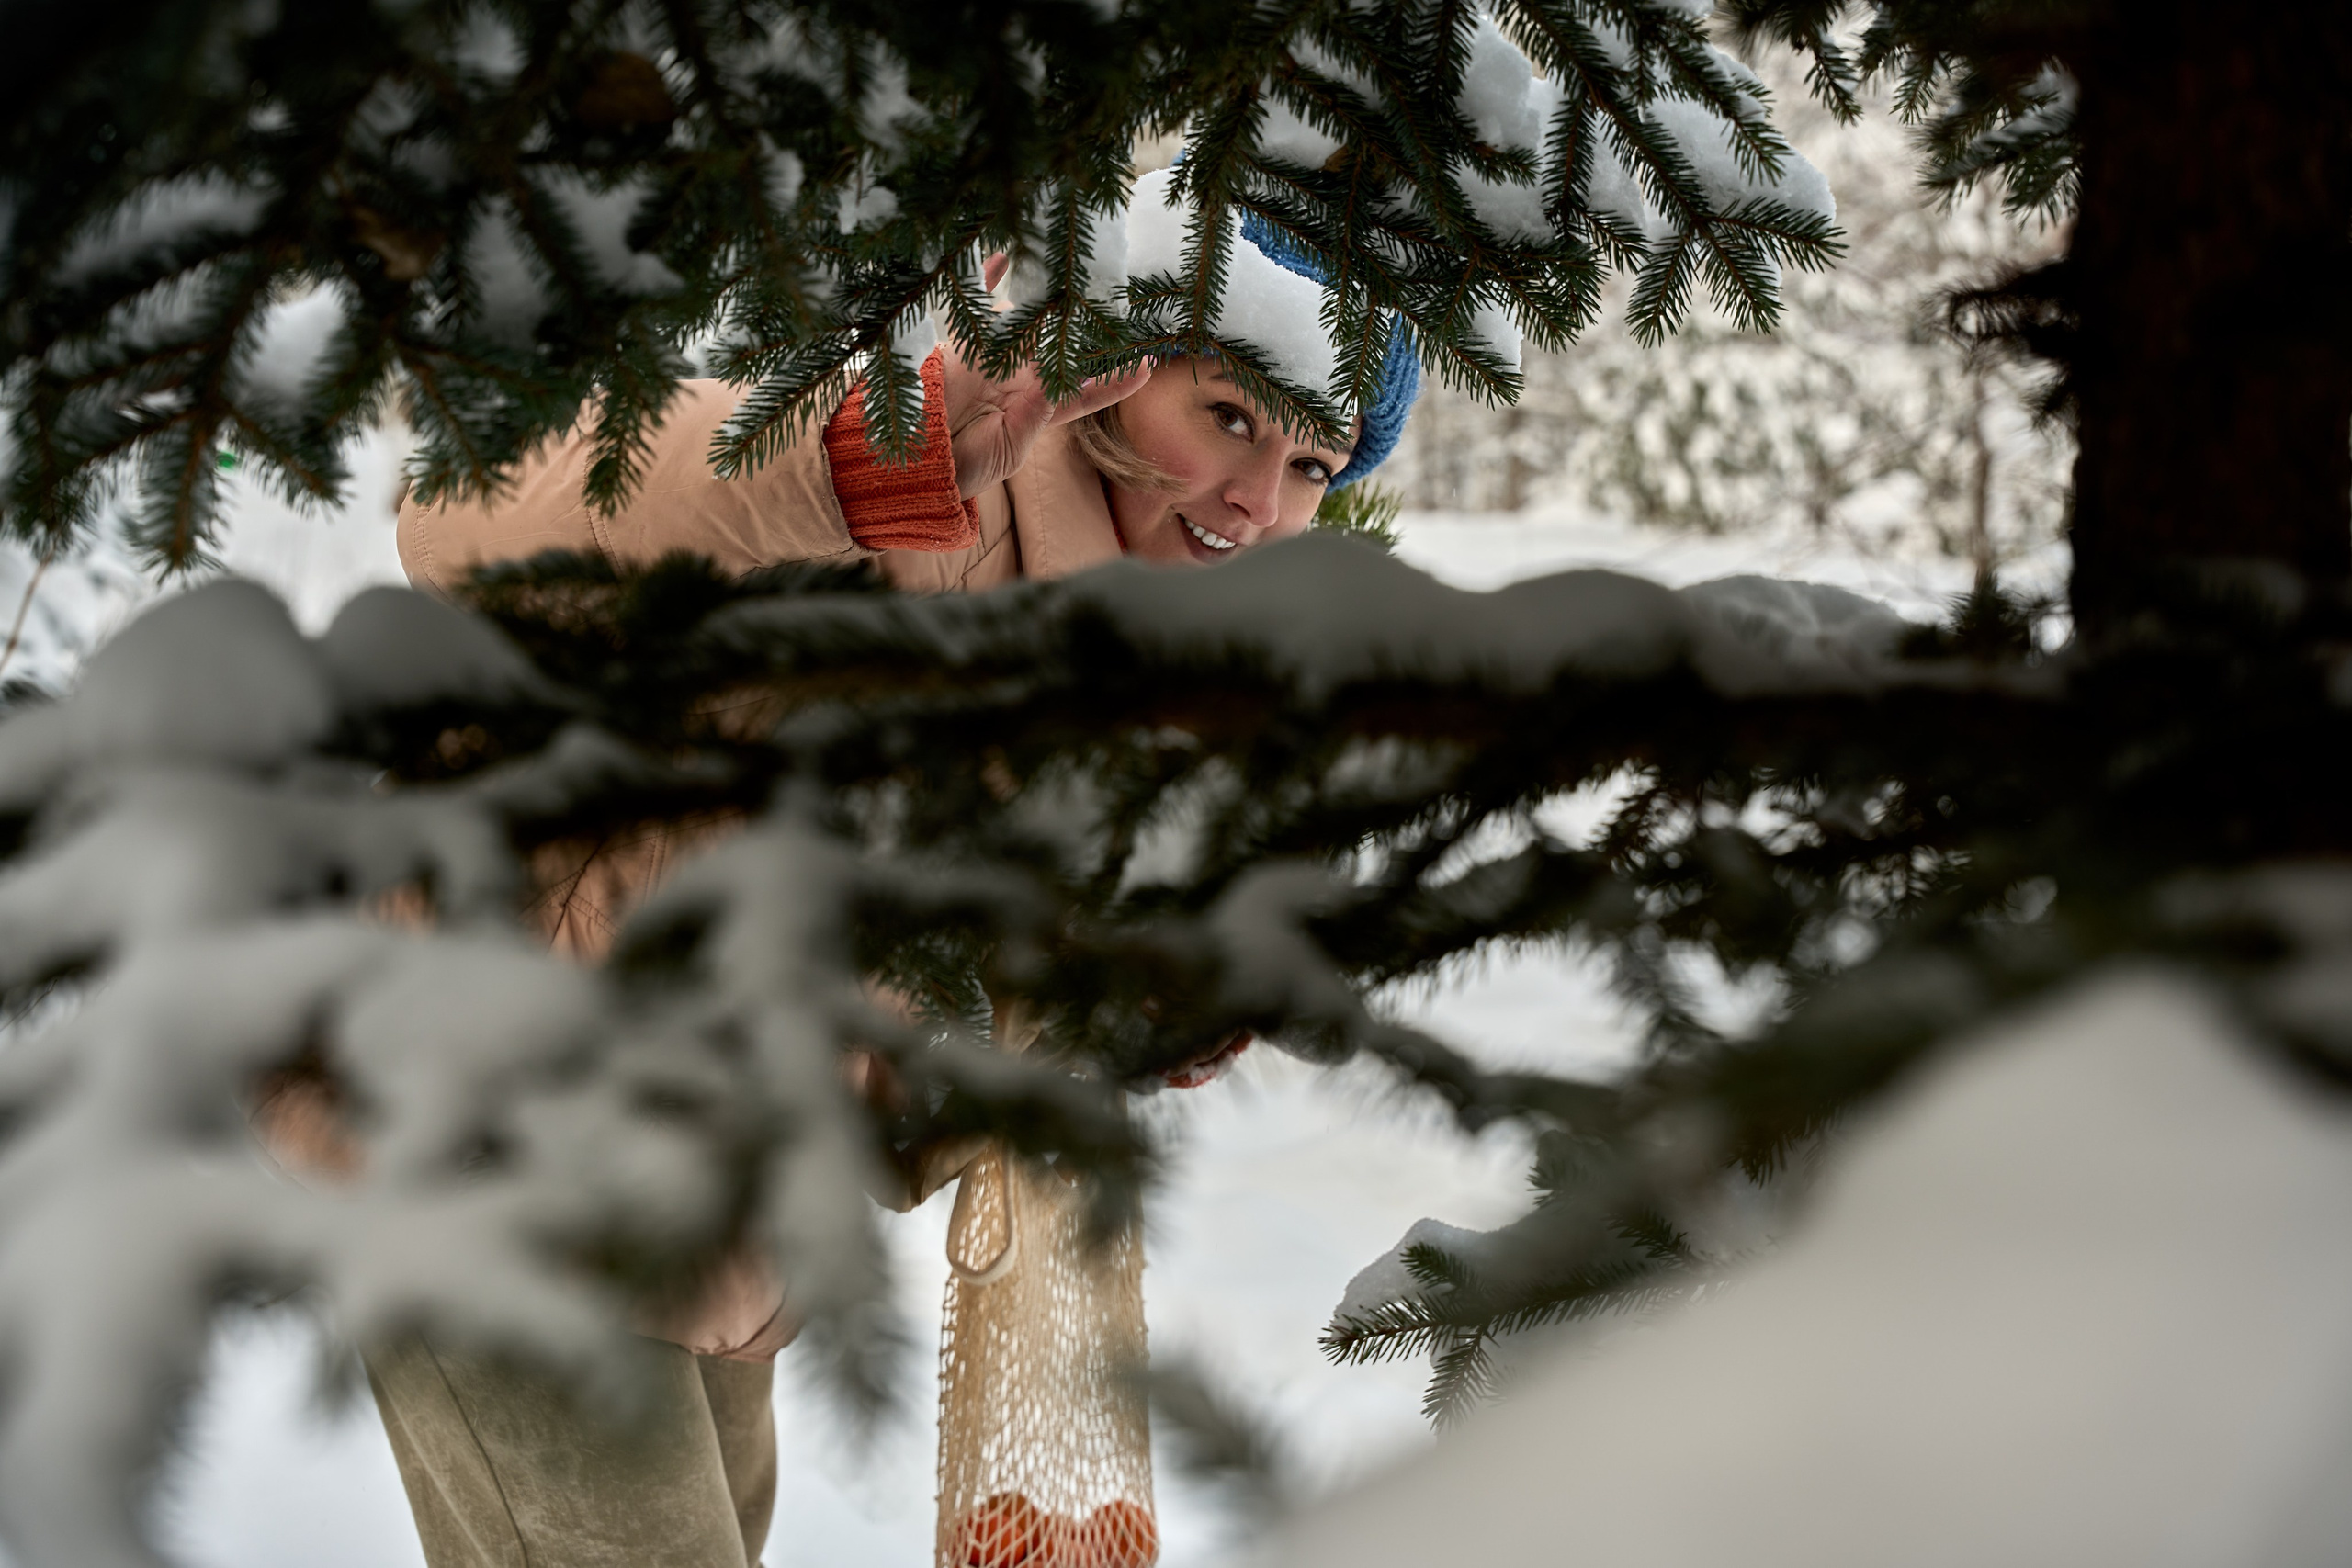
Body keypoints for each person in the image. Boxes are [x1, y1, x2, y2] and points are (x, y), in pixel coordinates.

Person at [328, 241, 1421, 1568]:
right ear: (1119, 378)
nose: (1256, 500)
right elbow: (472, 512)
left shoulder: (1119, 682)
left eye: (1311, 464)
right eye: (1231, 418)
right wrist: (858, 462)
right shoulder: (933, 480)